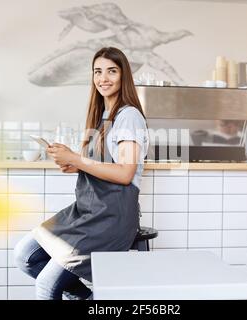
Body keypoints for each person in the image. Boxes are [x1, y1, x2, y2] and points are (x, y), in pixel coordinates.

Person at [14, 47, 149, 300]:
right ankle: (85, 298)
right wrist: (75, 164)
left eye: (112, 71)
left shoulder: (129, 116)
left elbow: (125, 173)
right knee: (26, 255)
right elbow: (106, 164)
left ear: (124, 76)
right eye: (98, 72)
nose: (103, 78)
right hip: (88, 211)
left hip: (110, 218)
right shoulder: (104, 115)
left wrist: (76, 158)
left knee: (46, 286)